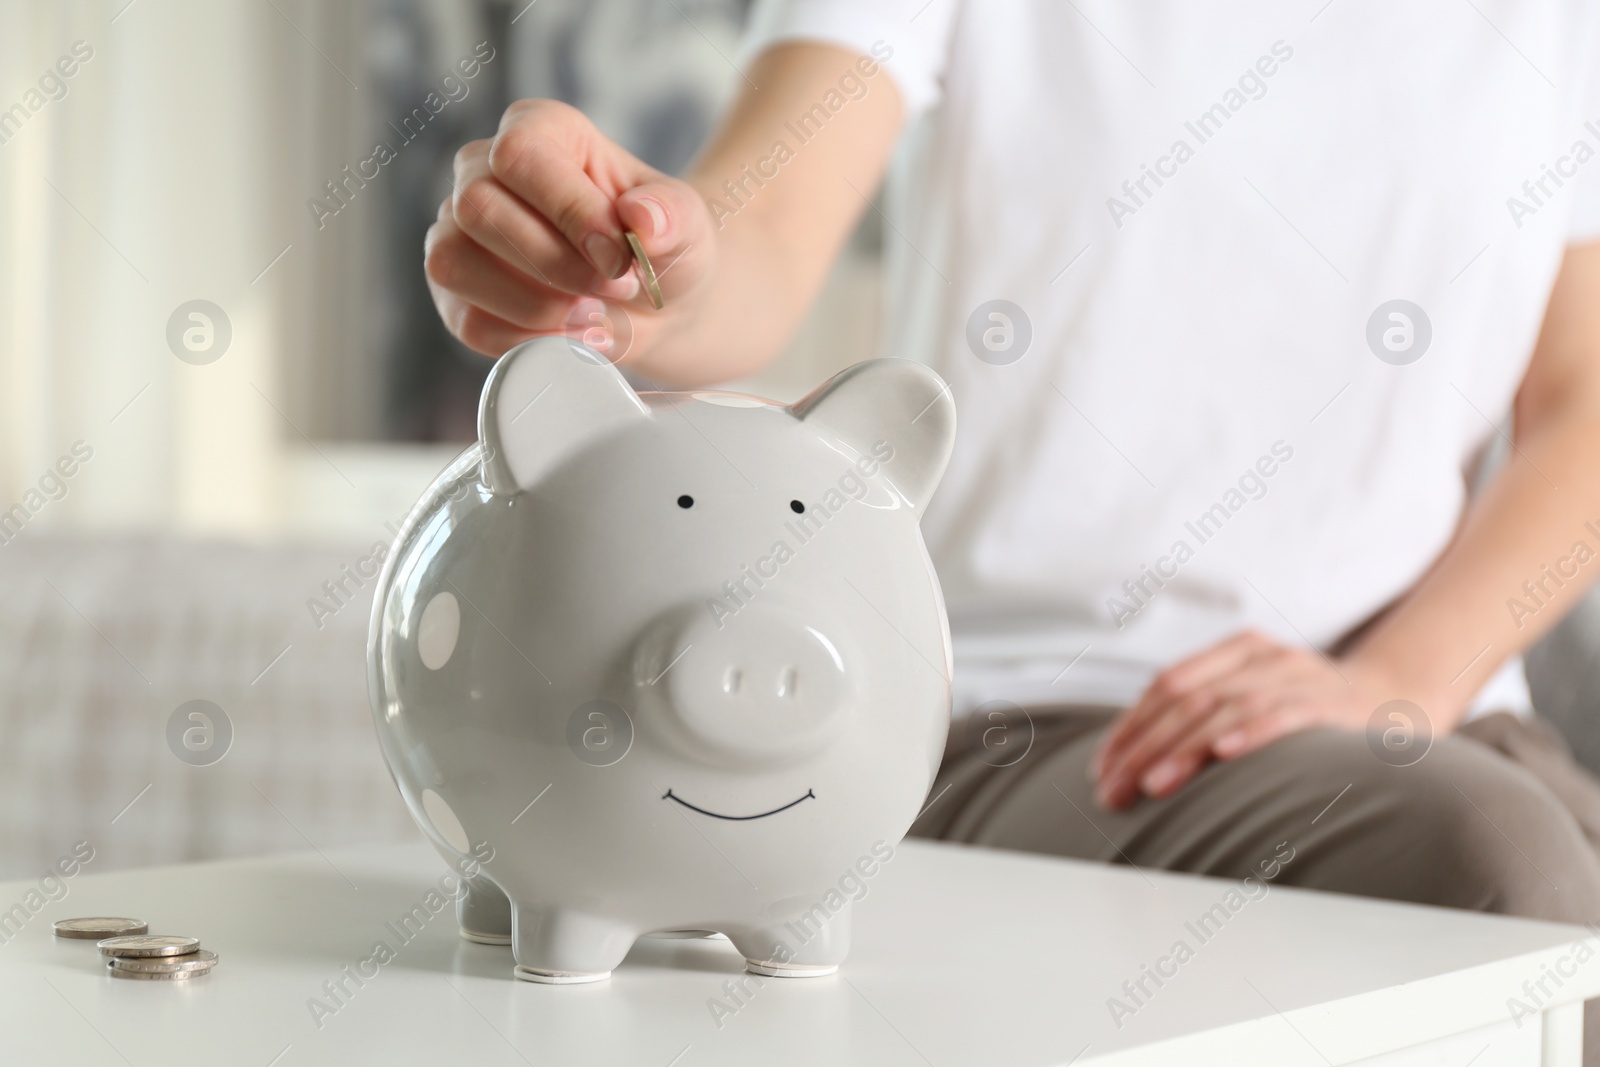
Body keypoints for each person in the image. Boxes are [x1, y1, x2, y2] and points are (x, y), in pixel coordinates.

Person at [424, 0, 1600, 1051]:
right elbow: (757, 238)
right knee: (1507, 865)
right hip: (1036, 722)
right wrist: (629, 268)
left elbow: (1581, 410)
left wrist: (1395, 680)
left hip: (1440, 715)